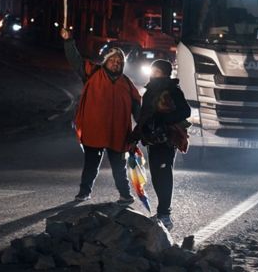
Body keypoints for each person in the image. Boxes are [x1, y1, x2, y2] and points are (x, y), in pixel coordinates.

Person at [61, 28, 141, 204]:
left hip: (118, 133)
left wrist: (140, 129)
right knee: (90, 165)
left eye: (119, 61)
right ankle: (84, 192)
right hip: (94, 130)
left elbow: (137, 107)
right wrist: (68, 41)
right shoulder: (92, 72)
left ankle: (125, 194)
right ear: (105, 61)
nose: (115, 63)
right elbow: (75, 60)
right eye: (112, 60)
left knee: (119, 167)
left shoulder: (127, 83)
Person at [129, 59, 190, 230]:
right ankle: (162, 212)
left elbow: (185, 111)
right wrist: (135, 135)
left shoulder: (172, 89)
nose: (154, 74)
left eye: (158, 72)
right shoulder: (150, 90)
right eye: (153, 71)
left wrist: (163, 120)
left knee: (164, 173)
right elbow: (144, 116)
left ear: (165, 73)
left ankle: (165, 214)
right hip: (153, 138)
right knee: (156, 174)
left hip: (167, 139)